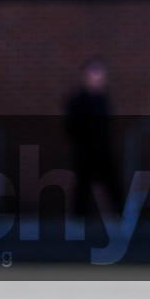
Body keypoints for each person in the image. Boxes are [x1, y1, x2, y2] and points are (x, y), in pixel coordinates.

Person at [64, 57, 125, 223]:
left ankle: (120, 213)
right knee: (83, 186)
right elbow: (72, 127)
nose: (98, 78)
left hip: (103, 150)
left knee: (111, 184)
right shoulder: (77, 101)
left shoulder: (103, 100)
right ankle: (78, 217)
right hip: (86, 151)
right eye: (94, 74)